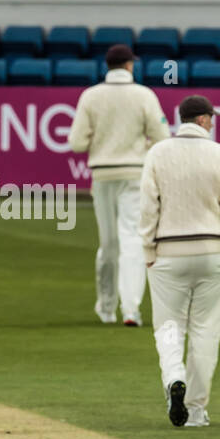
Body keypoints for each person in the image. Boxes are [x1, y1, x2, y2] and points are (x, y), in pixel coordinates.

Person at [139, 94, 220, 429]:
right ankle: (196, 410)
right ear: (202, 120)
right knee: (205, 331)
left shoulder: (158, 153)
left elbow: (147, 206)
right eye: (210, 118)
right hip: (212, 250)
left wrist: (148, 251)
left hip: (168, 252)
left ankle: (174, 380)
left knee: (169, 327)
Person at [68, 43, 170, 326]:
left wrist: (101, 141)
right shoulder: (143, 95)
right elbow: (162, 136)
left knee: (109, 244)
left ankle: (106, 307)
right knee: (132, 240)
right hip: (134, 174)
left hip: (102, 175)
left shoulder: (90, 96)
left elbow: (76, 142)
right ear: (129, 66)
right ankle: (131, 309)